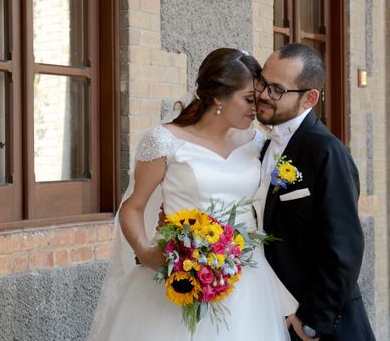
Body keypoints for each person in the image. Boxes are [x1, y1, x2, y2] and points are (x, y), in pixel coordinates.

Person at [88, 48, 290, 341]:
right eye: (248, 99)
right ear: (219, 96)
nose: (255, 108)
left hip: (248, 281)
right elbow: (133, 207)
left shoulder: (259, 143)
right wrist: (145, 252)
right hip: (178, 272)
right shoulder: (165, 141)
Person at [254, 44, 375, 341]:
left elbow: (344, 246)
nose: (263, 95)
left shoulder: (326, 151)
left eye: (277, 90)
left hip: (318, 326)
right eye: (262, 83)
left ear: (310, 98)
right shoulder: (266, 146)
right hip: (271, 314)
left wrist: (312, 319)